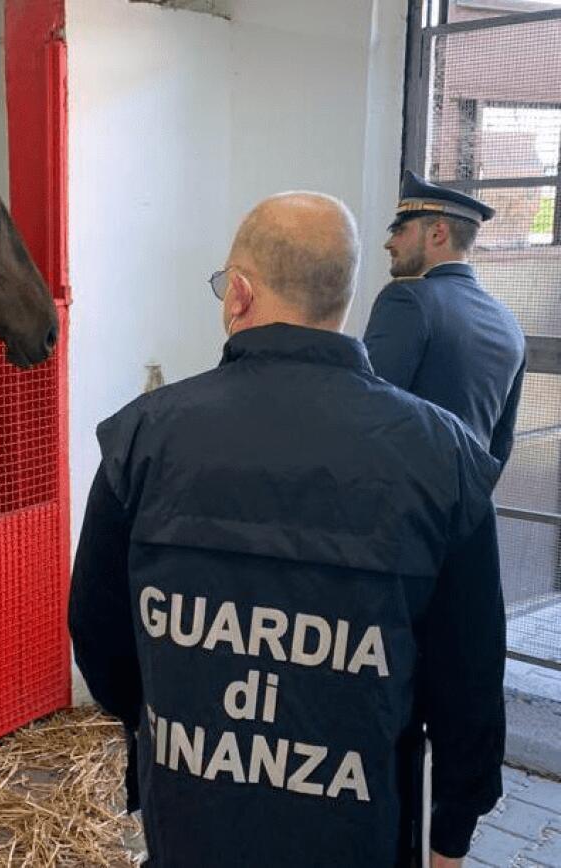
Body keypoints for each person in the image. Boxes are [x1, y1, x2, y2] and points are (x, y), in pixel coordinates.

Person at [69, 192, 506, 867]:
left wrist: (174, 717)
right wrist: (452, 829)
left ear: (238, 294)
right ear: (342, 300)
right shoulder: (444, 455)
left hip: (190, 817)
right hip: (359, 831)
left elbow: (98, 634)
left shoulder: (143, 437)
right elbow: (470, 676)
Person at [364, 171, 525, 468]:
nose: (389, 243)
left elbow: (368, 410)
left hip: (401, 504)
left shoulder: (407, 299)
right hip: (468, 505)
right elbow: (501, 441)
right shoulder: (508, 322)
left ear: (437, 232)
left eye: (399, 230)